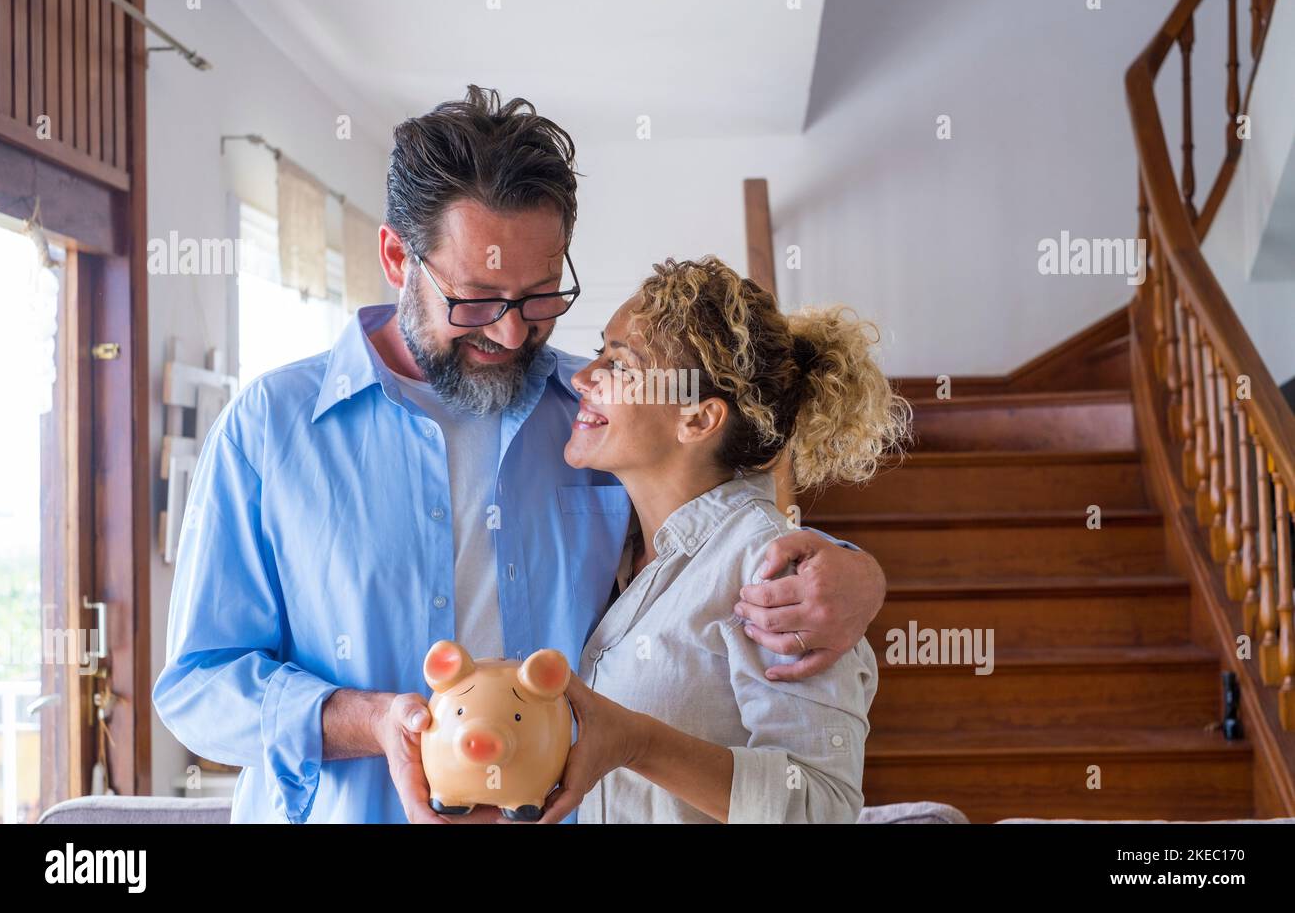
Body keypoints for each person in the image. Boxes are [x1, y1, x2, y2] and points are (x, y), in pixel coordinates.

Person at [153, 87, 890, 823]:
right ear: (394, 256)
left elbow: (728, 517)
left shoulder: (596, 417)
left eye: (539, 298)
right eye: (477, 299)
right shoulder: (271, 428)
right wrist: (375, 722)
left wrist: (855, 576)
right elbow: (197, 689)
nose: (510, 336)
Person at [535, 256, 910, 823]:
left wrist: (640, 744)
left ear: (698, 419)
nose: (583, 379)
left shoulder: (773, 575)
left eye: (621, 364)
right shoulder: (612, 547)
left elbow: (823, 809)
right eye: (598, 353)